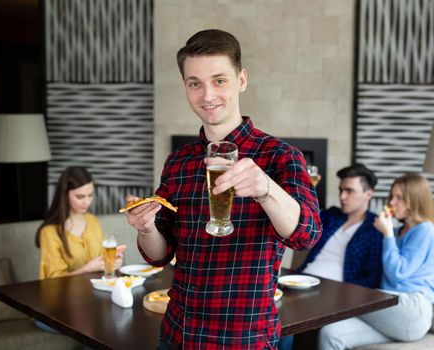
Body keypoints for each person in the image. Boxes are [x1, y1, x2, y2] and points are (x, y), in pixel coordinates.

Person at [124, 29, 322, 349]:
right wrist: (145, 228)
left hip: (245, 339)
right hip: (178, 334)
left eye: (219, 80)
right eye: (195, 83)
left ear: (241, 80)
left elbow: (306, 235)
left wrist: (265, 189)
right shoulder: (178, 162)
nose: (207, 95)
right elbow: (160, 255)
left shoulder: (280, 156)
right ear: (185, 88)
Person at [319, 173, 434, 350]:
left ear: (414, 200)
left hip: (413, 310)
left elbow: (398, 273)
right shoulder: (399, 231)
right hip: (391, 312)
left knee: (345, 295)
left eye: (399, 197)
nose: (391, 202)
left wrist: (387, 234)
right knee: (331, 333)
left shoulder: (425, 230)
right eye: (392, 196)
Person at [279, 163, 383, 350]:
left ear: (368, 194)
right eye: (341, 190)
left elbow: (371, 278)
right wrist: (309, 188)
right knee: (271, 316)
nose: (342, 197)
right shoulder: (331, 217)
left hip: (333, 295)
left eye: (349, 191)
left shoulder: (376, 229)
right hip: (298, 284)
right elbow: (301, 221)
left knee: (285, 323)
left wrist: (345, 297)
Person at [36, 166, 123, 279]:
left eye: (90, 195)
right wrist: (87, 269)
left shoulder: (92, 221)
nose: (86, 202)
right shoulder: (49, 232)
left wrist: (112, 263)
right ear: (65, 194)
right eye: (80, 197)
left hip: (96, 288)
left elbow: (101, 259)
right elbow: (53, 280)